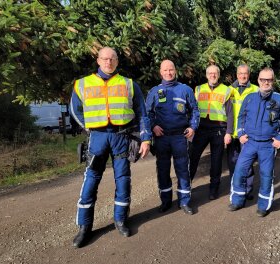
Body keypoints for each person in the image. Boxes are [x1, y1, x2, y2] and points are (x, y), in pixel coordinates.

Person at [70, 47, 151, 248]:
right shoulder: (82, 84)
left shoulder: (129, 84)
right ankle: (84, 227)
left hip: (121, 136)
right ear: (98, 60)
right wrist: (88, 128)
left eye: (112, 59)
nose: (108, 62)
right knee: (91, 180)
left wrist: (146, 138)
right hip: (97, 137)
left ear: (117, 61)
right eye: (105, 59)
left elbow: (143, 113)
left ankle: (121, 220)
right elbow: (74, 110)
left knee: (123, 179)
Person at [229, 67, 280, 216]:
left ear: (273, 81)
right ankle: (237, 200)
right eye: (263, 79)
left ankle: (263, 206)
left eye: (269, 80)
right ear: (258, 80)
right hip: (249, 142)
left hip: (267, 145)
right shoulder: (250, 98)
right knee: (239, 171)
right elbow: (241, 117)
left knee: (266, 174)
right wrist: (241, 133)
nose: (266, 82)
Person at [145, 60, 200, 215]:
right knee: (162, 170)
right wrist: (153, 126)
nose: (168, 73)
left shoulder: (185, 90)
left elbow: (195, 110)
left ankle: (184, 201)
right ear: (160, 72)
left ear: (175, 71)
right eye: (165, 70)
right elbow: (147, 114)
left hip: (179, 137)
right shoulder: (154, 92)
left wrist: (192, 127)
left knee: (183, 170)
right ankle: (166, 201)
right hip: (161, 137)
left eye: (171, 70)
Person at [189, 65, 233, 200]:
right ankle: (186, 187)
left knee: (216, 161)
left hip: (219, 129)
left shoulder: (226, 90)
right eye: (210, 73)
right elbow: (191, 109)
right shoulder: (198, 89)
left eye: (215, 73)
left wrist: (229, 132)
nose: (213, 75)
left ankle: (214, 189)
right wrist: (190, 127)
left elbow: (230, 113)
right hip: (201, 129)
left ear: (218, 75)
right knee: (192, 157)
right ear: (206, 75)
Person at [227, 64, 258, 200]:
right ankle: (236, 188)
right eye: (240, 73)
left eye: (245, 73)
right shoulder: (229, 90)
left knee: (248, 163)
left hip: (247, 135)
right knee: (233, 162)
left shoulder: (256, 90)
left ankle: (247, 189)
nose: (242, 76)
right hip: (232, 133)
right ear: (236, 74)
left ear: (249, 74)